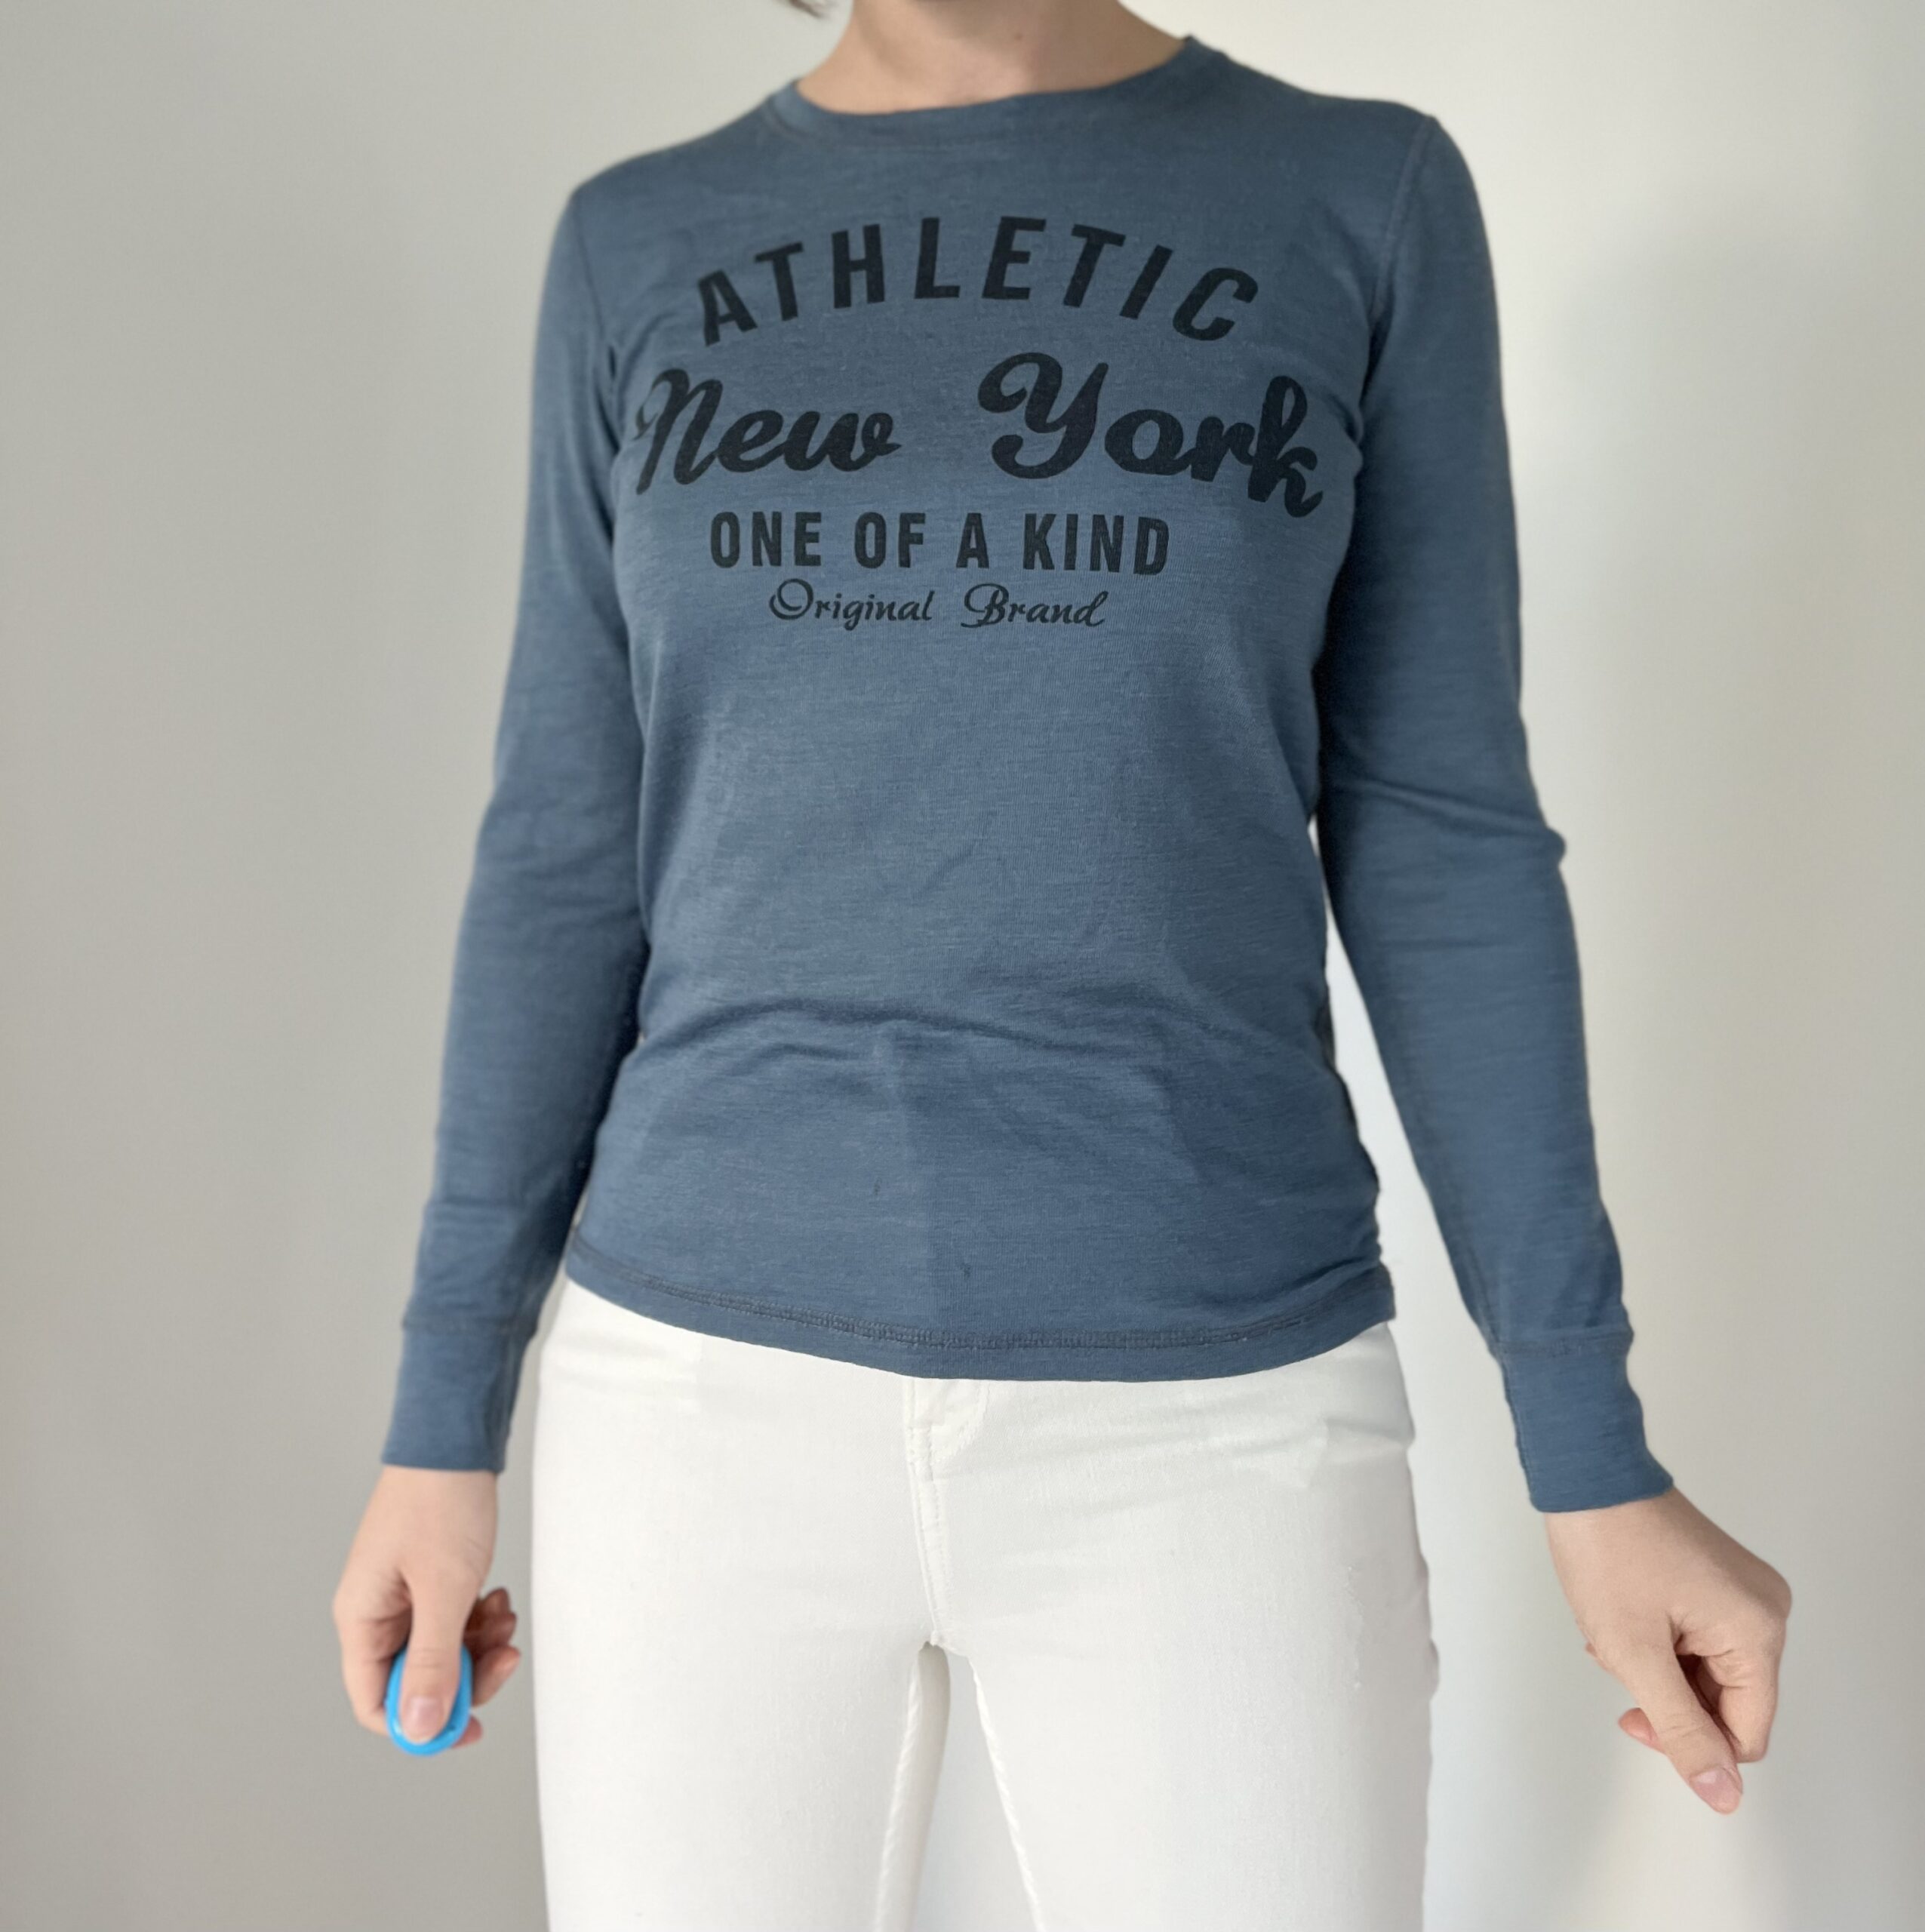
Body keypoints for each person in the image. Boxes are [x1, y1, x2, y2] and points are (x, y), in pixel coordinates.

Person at [332, 3, 1792, 1926]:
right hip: (694, 1402)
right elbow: (562, 852)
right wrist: (441, 1421)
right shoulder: (637, 240)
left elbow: (1440, 838)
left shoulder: (1359, 198)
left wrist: (1587, 1448)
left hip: (1218, 1398)